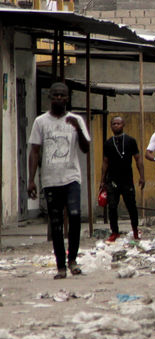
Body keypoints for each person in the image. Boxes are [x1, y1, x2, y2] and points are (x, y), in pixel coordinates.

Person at [27, 82, 91, 279]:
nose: (59, 99)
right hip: (50, 179)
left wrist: (78, 129)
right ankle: (60, 265)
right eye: (55, 95)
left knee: (74, 215)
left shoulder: (76, 119)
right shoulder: (41, 121)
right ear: (50, 97)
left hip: (71, 177)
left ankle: (73, 260)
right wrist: (31, 180)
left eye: (62, 95)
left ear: (68, 98)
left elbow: (85, 148)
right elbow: (34, 151)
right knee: (55, 223)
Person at [100, 116, 145, 242]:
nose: (116, 125)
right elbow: (105, 162)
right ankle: (114, 232)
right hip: (112, 180)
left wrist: (142, 176)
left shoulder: (131, 141)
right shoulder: (108, 143)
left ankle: (135, 230)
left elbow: (138, 159)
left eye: (118, 123)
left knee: (131, 206)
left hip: (127, 179)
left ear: (123, 124)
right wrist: (102, 180)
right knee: (112, 207)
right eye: (113, 123)